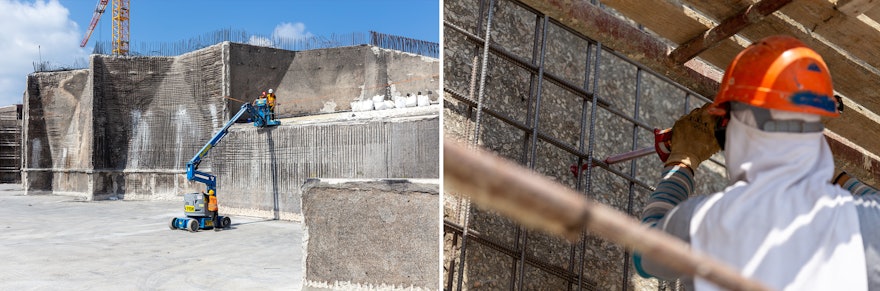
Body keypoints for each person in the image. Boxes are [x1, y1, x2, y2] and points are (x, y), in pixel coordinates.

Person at [632, 35, 878, 290]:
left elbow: (644, 255)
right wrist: (822, 174)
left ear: (732, 132)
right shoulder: (868, 222)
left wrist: (683, 160)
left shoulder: (703, 221)